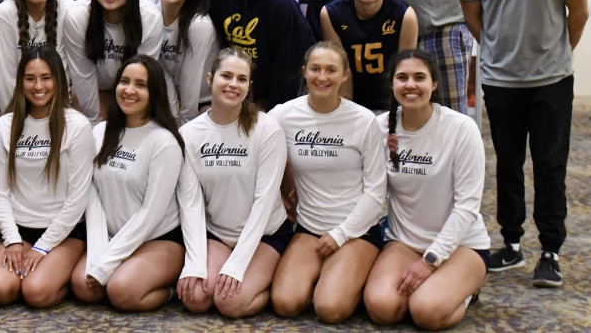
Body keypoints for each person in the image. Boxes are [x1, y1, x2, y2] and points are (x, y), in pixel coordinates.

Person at [458, 0, 588, 286]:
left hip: (551, 81)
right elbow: (473, 15)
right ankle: (511, 244)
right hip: (500, 81)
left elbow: (579, 11)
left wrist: (555, 54)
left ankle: (550, 251)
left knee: (550, 166)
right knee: (508, 165)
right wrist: (500, 52)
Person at [364, 49, 489, 329]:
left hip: (460, 245)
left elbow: (468, 206)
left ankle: (467, 288)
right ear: (392, 85)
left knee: (426, 312)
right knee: (382, 308)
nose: (410, 85)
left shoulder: (461, 129)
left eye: (419, 77)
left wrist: (431, 261)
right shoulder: (380, 127)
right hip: (404, 241)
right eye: (402, 77)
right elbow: (372, 191)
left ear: (434, 84)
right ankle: (437, 288)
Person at [269, 42, 387, 323]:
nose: (323, 77)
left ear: (345, 75)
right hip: (309, 228)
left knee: (329, 308)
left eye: (331, 70)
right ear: (304, 72)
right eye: (315, 69)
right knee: (285, 303)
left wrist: (341, 234)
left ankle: (356, 276)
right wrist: (283, 193)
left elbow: (376, 192)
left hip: (356, 231)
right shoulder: (283, 115)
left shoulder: (363, 120)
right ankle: (329, 277)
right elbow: (254, 144)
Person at [71, 55, 196, 312]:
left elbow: (151, 214)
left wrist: (105, 263)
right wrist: (98, 253)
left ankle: (169, 290)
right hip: (112, 235)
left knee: (121, 292)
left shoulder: (164, 142)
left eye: (141, 85)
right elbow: (92, 197)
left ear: (155, 93)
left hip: (157, 238)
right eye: (124, 81)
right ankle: (122, 269)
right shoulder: (99, 133)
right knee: (83, 287)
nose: (129, 90)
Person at [177, 48, 290, 318]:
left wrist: (237, 265)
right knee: (194, 298)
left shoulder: (267, 129)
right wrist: (194, 262)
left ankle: (271, 283)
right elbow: (190, 204)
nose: (232, 84)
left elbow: (264, 203)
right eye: (226, 76)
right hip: (218, 234)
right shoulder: (189, 134)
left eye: (241, 79)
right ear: (209, 79)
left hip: (266, 234)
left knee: (229, 303)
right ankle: (234, 273)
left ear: (249, 86)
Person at [0, 46, 94, 308]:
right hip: (19, 230)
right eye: (30, 78)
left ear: (59, 80)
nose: (38, 86)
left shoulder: (77, 126)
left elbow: (78, 199)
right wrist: (11, 240)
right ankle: (40, 269)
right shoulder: (5, 125)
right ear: (20, 81)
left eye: (46, 77)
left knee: (36, 293)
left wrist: (42, 247)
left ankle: (61, 275)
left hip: (64, 233)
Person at [208, 0, 313, 110]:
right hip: (233, 93)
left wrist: (272, 108)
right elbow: (217, 48)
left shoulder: (281, 3)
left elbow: (290, 67)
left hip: (274, 100)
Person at [64, 0, 163, 122]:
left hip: (134, 88)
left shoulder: (149, 17)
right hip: (96, 88)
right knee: (82, 114)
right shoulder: (78, 15)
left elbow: (143, 75)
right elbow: (83, 75)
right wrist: (95, 124)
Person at [322, 0, 418, 111]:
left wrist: (398, 115)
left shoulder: (405, 15)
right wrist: (348, 114)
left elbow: (405, 70)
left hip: (390, 104)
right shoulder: (331, 14)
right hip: (353, 103)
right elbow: (342, 70)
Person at [152, 0, 218, 124]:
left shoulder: (199, 25)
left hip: (200, 102)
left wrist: (182, 127)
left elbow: (191, 84)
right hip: (164, 96)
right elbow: (153, 65)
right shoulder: (148, 12)